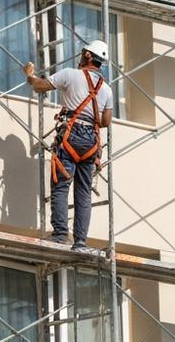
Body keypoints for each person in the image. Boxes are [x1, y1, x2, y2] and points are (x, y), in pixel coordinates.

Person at [22, 39, 113, 251]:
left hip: (71, 135)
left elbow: (40, 86)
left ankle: (61, 235)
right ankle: (80, 241)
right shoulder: (106, 89)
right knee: (84, 192)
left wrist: (29, 75)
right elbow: (105, 121)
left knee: (61, 185)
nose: (80, 56)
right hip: (91, 141)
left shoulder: (71, 75)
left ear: (88, 56)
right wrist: (88, 113)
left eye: (83, 53)